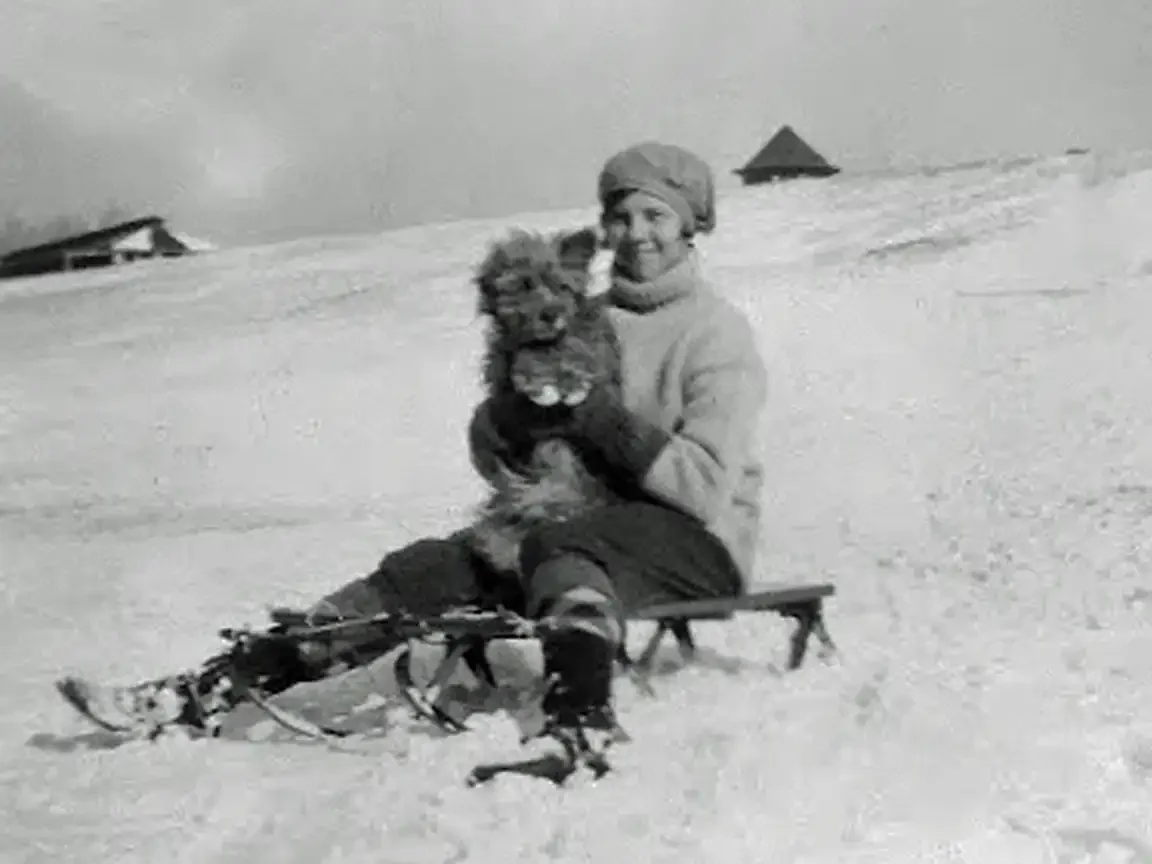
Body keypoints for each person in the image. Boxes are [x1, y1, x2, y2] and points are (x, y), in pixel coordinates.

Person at [58, 141, 770, 765]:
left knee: (560, 545)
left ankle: (579, 718)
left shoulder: (715, 334)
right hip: (581, 521)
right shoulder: (575, 311)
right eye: (622, 216)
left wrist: (597, 417)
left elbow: (705, 487)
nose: (637, 233)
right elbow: (499, 454)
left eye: (656, 215)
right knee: (428, 569)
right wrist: (505, 423)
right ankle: (210, 689)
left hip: (692, 539)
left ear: (692, 222)